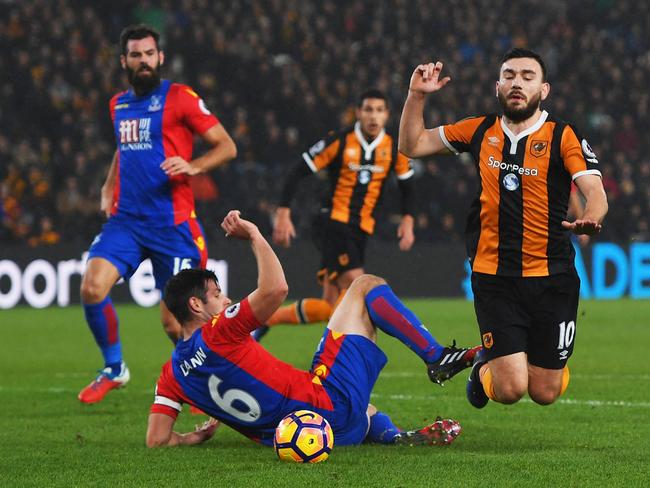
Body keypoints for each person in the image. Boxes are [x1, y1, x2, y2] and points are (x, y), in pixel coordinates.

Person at [146, 210, 480, 448]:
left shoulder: (171, 375)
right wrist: (255, 236)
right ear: (195, 306)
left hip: (299, 433)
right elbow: (276, 289)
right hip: (325, 408)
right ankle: (437, 356)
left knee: (362, 407)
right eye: (218, 296)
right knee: (365, 285)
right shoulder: (219, 331)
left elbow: (157, 439)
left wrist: (194, 437)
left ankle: (391, 436)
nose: (226, 299)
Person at [398, 48, 608, 409]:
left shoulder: (563, 136)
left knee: (544, 392)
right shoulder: (479, 130)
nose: (517, 83)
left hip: (553, 277)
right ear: (498, 86)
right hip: (494, 277)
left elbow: (595, 191)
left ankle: (523, 360)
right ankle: (483, 368)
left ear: (544, 90)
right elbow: (411, 145)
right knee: (510, 390)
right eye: (510, 75)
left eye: (528, 77)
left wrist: (592, 216)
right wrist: (416, 96)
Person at [78, 24, 237, 404]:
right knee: (91, 287)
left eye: (150, 54)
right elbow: (123, 149)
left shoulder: (180, 98)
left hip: (174, 225)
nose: (144, 61)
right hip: (128, 222)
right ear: (124, 61)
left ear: (160, 57)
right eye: (136, 55)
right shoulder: (118, 104)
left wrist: (194, 167)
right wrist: (106, 186)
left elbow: (226, 146)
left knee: (175, 322)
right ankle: (115, 368)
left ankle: (216, 377)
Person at [258, 89, 416, 339]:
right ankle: (413, 346)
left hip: (361, 229)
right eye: (368, 109)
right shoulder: (339, 141)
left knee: (329, 307)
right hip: (332, 223)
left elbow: (407, 185)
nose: (373, 116)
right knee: (361, 286)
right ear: (358, 112)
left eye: (379, 110)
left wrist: (408, 219)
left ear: (387, 115)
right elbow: (298, 170)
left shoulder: (392, 148)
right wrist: (283, 212)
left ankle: (264, 320)